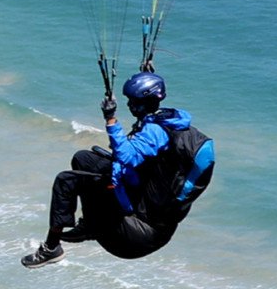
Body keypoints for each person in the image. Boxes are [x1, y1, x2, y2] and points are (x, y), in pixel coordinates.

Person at [22, 66, 214, 264]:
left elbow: (126, 156)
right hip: (146, 220)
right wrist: (147, 73)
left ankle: (51, 247)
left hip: (136, 236)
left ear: (147, 101)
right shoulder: (170, 119)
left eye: (134, 101)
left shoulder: (156, 132)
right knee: (84, 158)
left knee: (66, 180)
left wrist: (110, 119)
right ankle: (90, 223)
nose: (130, 105)